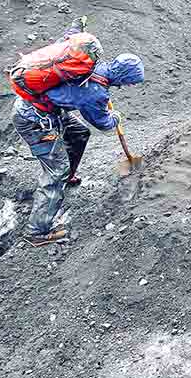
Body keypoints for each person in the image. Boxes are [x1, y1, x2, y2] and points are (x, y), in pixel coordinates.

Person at [13, 47, 145, 246]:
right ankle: (36, 232)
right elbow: (103, 123)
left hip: (47, 109)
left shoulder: (96, 67)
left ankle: (68, 176)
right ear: (124, 77)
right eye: (131, 81)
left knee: (79, 133)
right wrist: (114, 117)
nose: (131, 85)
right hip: (34, 119)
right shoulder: (95, 93)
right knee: (56, 171)